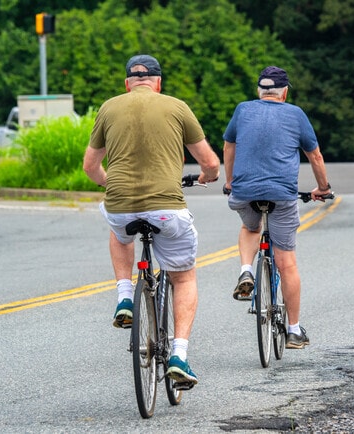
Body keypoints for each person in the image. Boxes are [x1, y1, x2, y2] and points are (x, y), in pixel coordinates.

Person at [83, 54, 220, 385]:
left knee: (119, 233)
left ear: (127, 83)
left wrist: (111, 184)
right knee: (183, 278)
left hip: (120, 206)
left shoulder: (108, 107)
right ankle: (179, 356)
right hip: (166, 209)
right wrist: (206, 176)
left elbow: (90, 167)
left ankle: (124, 297)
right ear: (158, 83)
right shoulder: (177, 107)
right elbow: (210, 162)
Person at [222, 66, 332, 350]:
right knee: (287, 262)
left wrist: (230, 181)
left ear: (259, 91)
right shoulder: (295, 114)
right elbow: (315, 156)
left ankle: (246, 269)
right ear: (284, 92)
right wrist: (323, 188)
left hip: (244, 192)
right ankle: (293, 330)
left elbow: (229, 146)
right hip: (282, 196)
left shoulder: (243, 110)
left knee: (250, 227)